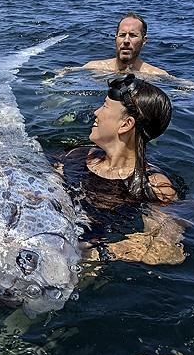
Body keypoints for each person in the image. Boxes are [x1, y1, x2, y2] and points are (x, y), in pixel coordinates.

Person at [58, 73, 184, 266]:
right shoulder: (78, 155)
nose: (96, 113)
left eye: (105, 106)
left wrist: (89, 253)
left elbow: (166, 249)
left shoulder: (153, 185)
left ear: (126, 124)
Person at [57, 12, 169, 77]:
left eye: (133, 35)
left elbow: (183, 88)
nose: (126, 40)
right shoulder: (94, 67)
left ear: (144, 41)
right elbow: (64, 74)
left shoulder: (155, 75)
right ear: (116, 39)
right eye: (122, 35)